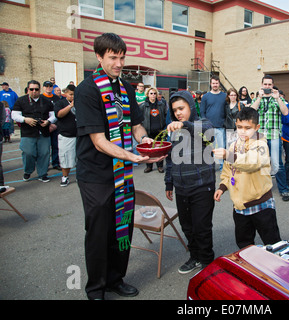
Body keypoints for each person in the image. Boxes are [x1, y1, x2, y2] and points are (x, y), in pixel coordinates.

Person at [75, 33, 165, 300]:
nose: (118, 63)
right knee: (99, 232)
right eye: (113, 57)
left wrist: (145, 140)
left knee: (122, 225)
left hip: (122, 172)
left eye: (122, 57)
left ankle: (116, 279)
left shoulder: (125, 87)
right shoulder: (87, 90)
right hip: (96, 174)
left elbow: (136, 124)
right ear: (99, 56)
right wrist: (132, 156)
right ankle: (96, 288)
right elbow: (99, 141)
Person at [213, 107, 281, 249]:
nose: (243, 131)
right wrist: (223, 186)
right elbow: (227, 170)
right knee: (244, 243)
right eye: (239, 127)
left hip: (261, 204)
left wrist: (228, 155)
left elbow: (252, 162)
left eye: (247, 128)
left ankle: (281, 268)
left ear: (257, 127)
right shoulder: (233, 146)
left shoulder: (260, 144)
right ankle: (248, 267)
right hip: (239, 206)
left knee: (273, 242)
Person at [165, 90, 216, 274]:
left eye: (181, 108)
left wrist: (185, 124)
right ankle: (195, 257)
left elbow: (208, 134)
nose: (178, 113)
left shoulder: (203, 123)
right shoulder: (173, 130)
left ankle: (207, 261)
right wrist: (169, 183)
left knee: (202, 227)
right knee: (187, 227)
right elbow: (170, 160)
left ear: (190, 107)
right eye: (175, 110)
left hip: (203, 186)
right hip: (181, 187)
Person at [250, 75, 289, 201]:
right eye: (265, 84)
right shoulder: (258, 98)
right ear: (262, 85)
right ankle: (261, 190)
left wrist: (278, 98)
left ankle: (284, 190)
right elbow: (251, 111)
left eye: (269, 84)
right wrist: (259, 97)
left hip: (274, 136)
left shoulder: (277, 99)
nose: (267, 86)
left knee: (277, 163)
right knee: (260, 163)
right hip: (260, 136)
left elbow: (286, 112)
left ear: (272, 85)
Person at [12, 80, 55, 182]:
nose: (34, 91)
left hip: (43, 132)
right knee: (28, 153)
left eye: (36, 89)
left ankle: (42, 173)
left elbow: (53, 115)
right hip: (28, 132)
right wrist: (25, 119)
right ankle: (28, 171)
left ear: (39, 90)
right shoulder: (21, 101)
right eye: (31, 89)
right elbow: (14, 115)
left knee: (44, 153)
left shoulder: (46, 101)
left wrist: (48, 121)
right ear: (28, 89)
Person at [200, 75, 226, 169]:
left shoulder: (224, 96)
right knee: (209, 148)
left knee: (221, 148)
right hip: (209, 127)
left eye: (217, 83)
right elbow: (202, 112)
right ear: (210, 84)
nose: (215, 85)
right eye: (213, 83)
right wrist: (205, 124)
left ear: (219, 84)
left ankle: (222, 167)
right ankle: (210, 167)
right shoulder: (206, 97)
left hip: (220, 126)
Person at [54, 84, 77, 187]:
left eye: (74, 94)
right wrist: (70, 106)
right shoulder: (60, 103)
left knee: (80, 158)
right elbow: (59, 114)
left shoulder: (80, 103)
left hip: (79, 135)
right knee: (65, 158)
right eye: (70, 94)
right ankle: (65, 177)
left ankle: (79, 176)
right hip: (66, 135)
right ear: (66, 93)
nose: (72, 96)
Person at [140, 86, 166, 173]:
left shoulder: (161, 105)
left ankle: (160, 166)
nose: (153, 95)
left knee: (159, 150)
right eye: (151, 93)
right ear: (147, 94)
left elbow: (166, 116)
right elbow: (140, 119)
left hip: (159, 131)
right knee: (149, 150)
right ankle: (149, 166)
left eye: (155, 93)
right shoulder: (143, 106)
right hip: (148, 132)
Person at [42, 80, 61, 170]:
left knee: (55, 145)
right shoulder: (41, 98)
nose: (48, 88)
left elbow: (58, 112)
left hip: (55, 125)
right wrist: (47, 123)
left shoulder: (56, 98)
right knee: (44, 148)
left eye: (50, 86)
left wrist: (55, 124)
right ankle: (44, 165)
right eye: (46, 86)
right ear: (43, 88)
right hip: (44, 125)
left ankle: (55, 162)